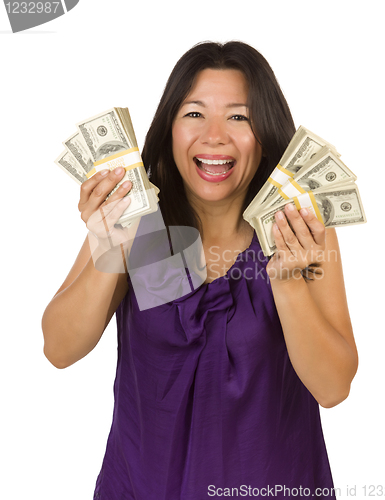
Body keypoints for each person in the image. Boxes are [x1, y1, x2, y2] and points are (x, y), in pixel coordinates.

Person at [42, 41, 358, 499]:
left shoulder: (296, 231)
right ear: (169, 129)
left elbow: (332, 387)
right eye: (194, 113)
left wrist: (287, 283)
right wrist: (111, 245)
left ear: (263, 133)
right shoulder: (139, 223)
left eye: (238, 116)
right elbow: (59, 348)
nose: (214, 136)